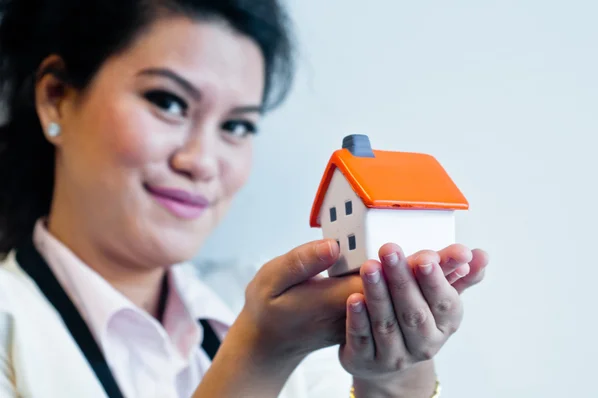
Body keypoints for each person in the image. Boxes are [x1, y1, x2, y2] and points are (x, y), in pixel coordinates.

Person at [0, 0, 489, 397]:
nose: (203, 161)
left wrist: (392, 377)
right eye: (167, 102)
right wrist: (260, 354)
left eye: (236, 126)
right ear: (57, 98)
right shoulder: (12, 329)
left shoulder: (276, 303)